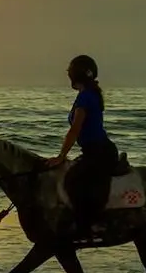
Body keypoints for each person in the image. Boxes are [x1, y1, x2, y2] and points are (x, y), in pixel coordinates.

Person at [46, 54, 116, 237]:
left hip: (99, 152)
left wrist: (61, 156)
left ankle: (88, 225)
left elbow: (75, 129)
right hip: (93, 151)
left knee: (73, 180)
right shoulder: (87, 95)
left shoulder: (86, 97)